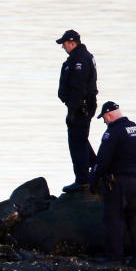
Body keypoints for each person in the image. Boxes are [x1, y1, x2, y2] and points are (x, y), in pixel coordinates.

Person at [92, 101, 136, 263]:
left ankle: (115, 257)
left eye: (104, 119)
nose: (104, 122)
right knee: (134, 216)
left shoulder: (113, 132)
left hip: (119, 181)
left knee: (113, 218)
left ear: (109, 115)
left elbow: (103, 160)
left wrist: (94, 179)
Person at [56, 29, 98, 192]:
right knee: (80, 139)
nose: (63, 47)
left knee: (77, 142)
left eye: (64, 44)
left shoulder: (80, 60)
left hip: (81, 107)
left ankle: (82, 180)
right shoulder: (82, 57)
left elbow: (78, 86)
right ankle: (96, 169)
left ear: (72, 43)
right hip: (81, 105)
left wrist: (76, 109)